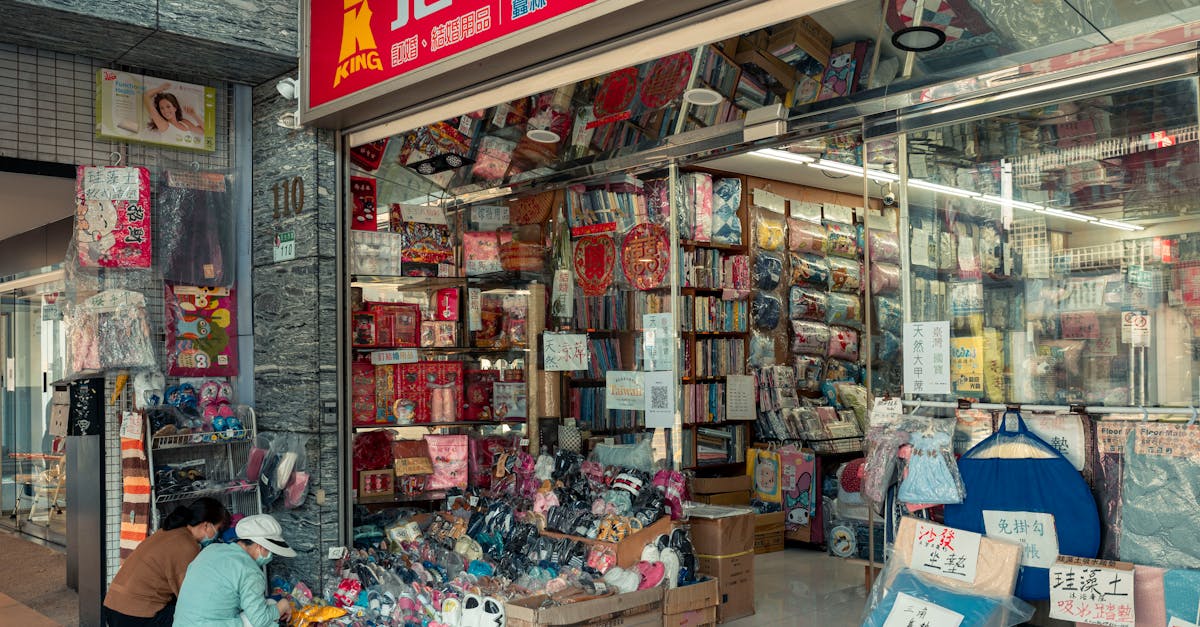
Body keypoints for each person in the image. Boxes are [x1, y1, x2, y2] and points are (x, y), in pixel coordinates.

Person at [103, 498, 231, 626]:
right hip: (136, 615)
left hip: (113, 605)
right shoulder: (187, 546)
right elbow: (192, 595)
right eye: (218, 529)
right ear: (206, 525)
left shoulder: (168, 532)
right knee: (200, 617)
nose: (217, 536)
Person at [172, 514, 296, 627]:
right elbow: (260, 620)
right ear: (261, 547)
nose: (270, 556)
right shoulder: (250, 571)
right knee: (270, 613)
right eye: (271, 552)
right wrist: (283, 604)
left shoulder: (212, 549)